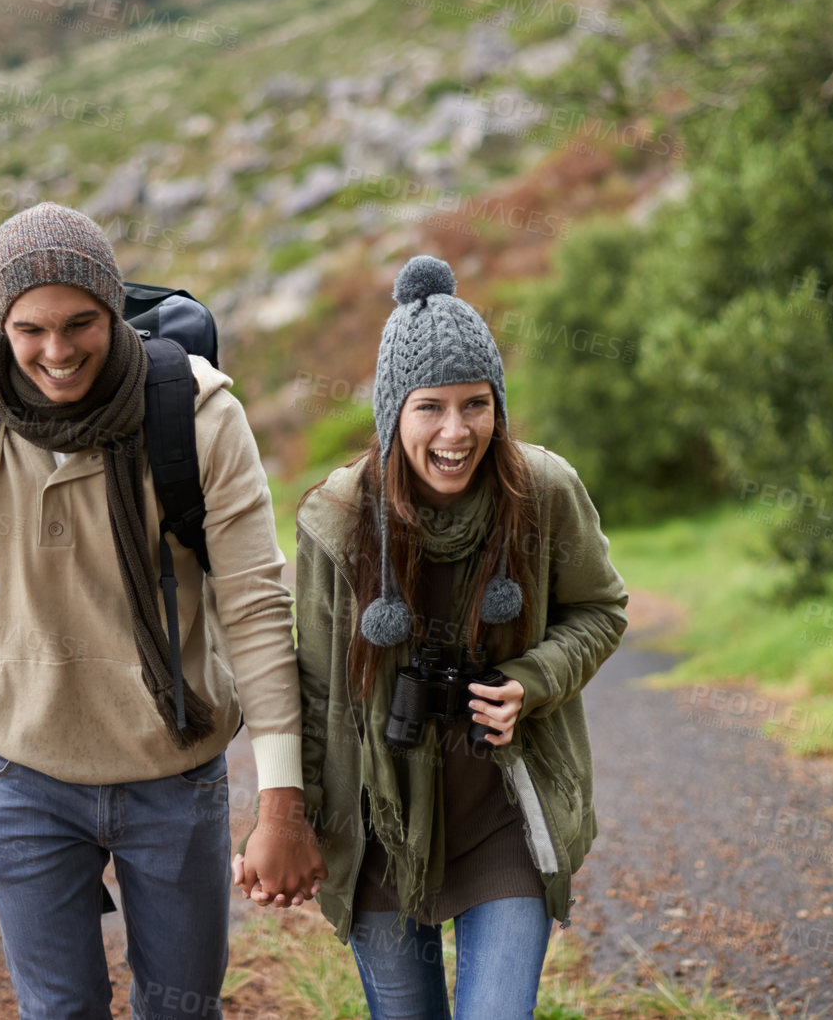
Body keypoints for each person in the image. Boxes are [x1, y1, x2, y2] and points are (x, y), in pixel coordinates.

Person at [0, 202, 325, 1020]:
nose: (58, 351)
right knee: (58, 1012)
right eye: (31, 329)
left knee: (182, 1009)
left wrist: (281, 806)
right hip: (24, 776)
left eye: (81, 322)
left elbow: (258, 610)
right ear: (2, 323)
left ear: (114, 307)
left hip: (175, 769)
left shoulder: (197, 415)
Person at [257, 254, 627, 1020]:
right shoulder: (336, 518)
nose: (457, 432)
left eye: (475, 404)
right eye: (430, 407)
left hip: (503, 814)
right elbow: (317, 691)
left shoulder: (545, 493)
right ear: (394, 412)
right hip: (380, 822)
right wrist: (293, 823)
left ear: (498, 404)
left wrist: (534, 676)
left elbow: (601, 610)